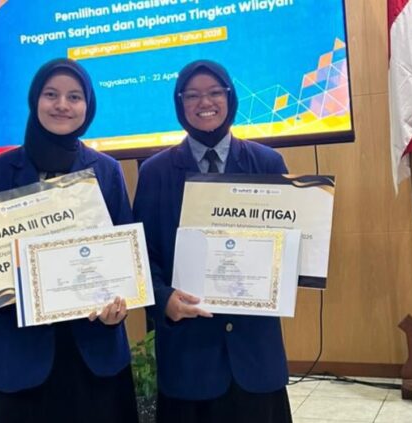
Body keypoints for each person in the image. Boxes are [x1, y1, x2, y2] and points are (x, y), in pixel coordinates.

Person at [0, 58, 138, 423]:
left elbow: (125, 257)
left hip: (95, 356)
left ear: (88, 106)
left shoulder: (107, 171)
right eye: (51, 94)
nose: (62, 105)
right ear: (35, 99)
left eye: (74, 96)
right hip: (23, 360)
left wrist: (119, 305)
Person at [133, 60, 292, 422]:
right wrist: (164, 300)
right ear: (180, 104)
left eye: (214, 92)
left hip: (255, 358)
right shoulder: (155, 173)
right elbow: (141, 255)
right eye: (192, 95)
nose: (204, 102)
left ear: (230, 98)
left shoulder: (267, 163)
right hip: (189, 359)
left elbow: (291, 247)